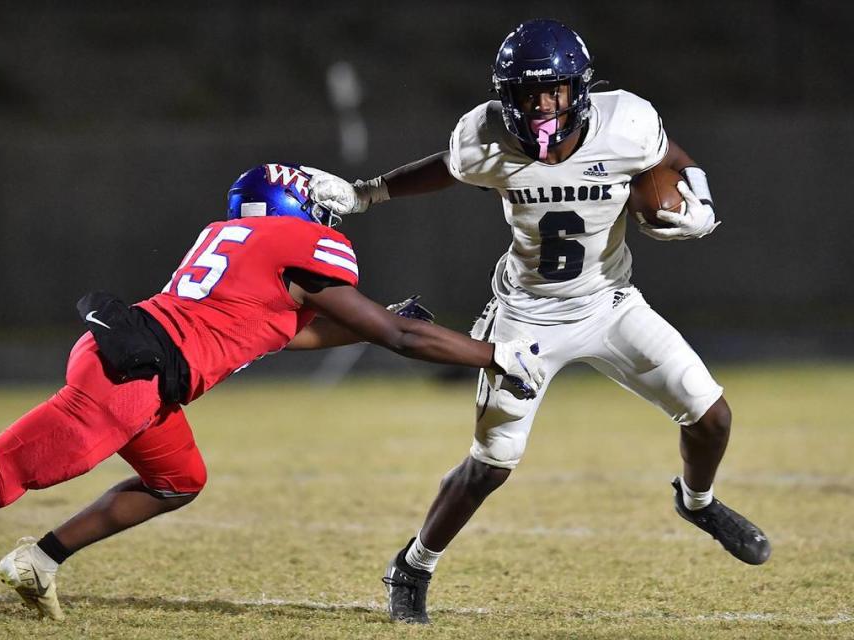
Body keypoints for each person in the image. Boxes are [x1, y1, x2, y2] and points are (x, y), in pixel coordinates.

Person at [0, 163, 544, 621]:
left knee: (177, 480)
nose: (326, 219)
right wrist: (497, 355)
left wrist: (379, 322)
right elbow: (400, 338)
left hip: (138, 363)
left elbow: (277, 335)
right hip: (132, 380)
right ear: (297, 210)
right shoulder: (303, 244)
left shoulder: (231, 241)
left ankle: (41, 558)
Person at [307, 19, 771, 624]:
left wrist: (699, 200)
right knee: (490, 464)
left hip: (610, 301)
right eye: (527, 93)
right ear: (507, 96)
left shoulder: (625, 121)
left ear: (578, 89)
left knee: (711, 417)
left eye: (552, 91)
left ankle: (697, 500)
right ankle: (413, 565)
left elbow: (666, 157)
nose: (541, 105)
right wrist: (368, 194)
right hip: (525, 317)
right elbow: (451, 167)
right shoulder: (486, 138)